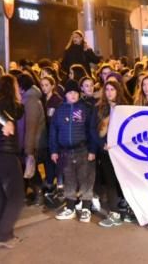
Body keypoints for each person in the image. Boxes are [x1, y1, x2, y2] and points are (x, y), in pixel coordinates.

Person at [49, 79, 97, 223]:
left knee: (86, 179)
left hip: (83, 149)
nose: (73, 95)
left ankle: (86, 208)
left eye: (75, 92)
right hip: (65, 151)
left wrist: (92, 150)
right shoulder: (59, 109)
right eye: (70, 93)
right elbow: (53, 131)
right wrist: (54, 150)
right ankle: (70, 207)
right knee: (69, 179)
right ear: (65, 95)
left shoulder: (85, 108)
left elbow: (92, 130)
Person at [0, 75, 26, 248]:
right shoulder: (3, 103)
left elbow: (18, 112)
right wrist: (6, 122)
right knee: (17, 196)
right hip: (6, 152)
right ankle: (2, 235)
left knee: (3, 193)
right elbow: (2, 114)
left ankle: (5, 233)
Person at [94, 79, 130, 228]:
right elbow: (98, 132)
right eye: (107, 89)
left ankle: (126, 209)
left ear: (118, 91)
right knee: (110, 182)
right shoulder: (100, 108)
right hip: (107, 152)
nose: (109, 92)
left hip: (123, 152)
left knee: (123, 180)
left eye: (112, 89)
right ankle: (114, 212)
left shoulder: (126, 107)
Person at [17, 73, 46, 207]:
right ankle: (26, 194)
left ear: (22, 86)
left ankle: (39, 194)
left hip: (32, 142)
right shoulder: (27, 98)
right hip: (27, 141)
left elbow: (31, 126)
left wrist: (28, 149)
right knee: (27, 169)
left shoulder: (31, 101)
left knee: (31, 170)